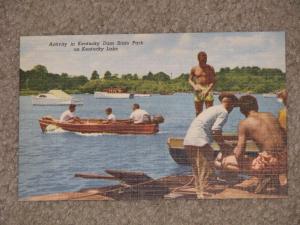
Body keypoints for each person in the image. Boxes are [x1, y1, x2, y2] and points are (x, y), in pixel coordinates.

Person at [216, 95, 287, 193]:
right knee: (269, 155)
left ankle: (265, 175)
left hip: (270, 165)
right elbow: (284, 137)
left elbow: (239, 154)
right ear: (256, 106)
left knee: (223, 162)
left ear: (241, 110)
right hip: (286, 161)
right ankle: (273, 178)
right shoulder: (270, 115)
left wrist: (233, 151)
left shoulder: (244, 123)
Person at [183, 92, 238, 199]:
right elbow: (216, 130)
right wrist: (223, 145)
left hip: (188, 141)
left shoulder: (212, 109)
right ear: (231, 104)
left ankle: (200, 195)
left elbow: (211, 129)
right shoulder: (224, 112)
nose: (232, 109)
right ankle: (206, 197)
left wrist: (222, 141)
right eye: (233, 106)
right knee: (206, 171)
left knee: (198, 172)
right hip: (200, 141)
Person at [189, 51, 216, 116]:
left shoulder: (210, 68)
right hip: (198, 89)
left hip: (208, 89)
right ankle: (198, 125)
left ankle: (209, 125)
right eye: (202, 60)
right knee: (198, 112)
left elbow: (214, 81)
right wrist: (194, 86)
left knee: (209, 112)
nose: (204, 61)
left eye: (205, 59)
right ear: (198, 59)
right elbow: (190, 79)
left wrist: (208, 89)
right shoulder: (194, 68)